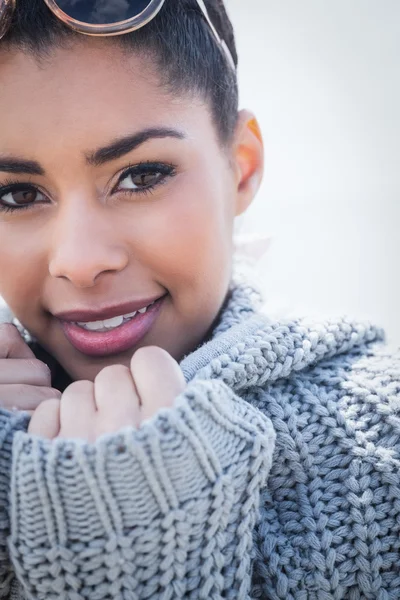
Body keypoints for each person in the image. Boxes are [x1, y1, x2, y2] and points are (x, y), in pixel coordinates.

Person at [0, 1, 398, 598]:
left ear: (241, 167)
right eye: (18, 194)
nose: (78, 261)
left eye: (141, 175)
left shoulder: (381, 448)